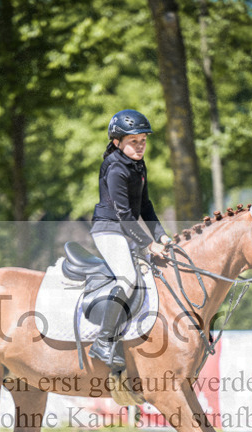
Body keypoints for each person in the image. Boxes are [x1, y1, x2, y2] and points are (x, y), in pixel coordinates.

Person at [88, 109, 173, 373]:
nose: (140, 146)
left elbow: (145, 206)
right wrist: (148, 245)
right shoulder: (115, 167)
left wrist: (161, 234)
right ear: (117, 142)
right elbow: (124, 215)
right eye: (133, 141)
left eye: (143, 141)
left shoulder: (137, 165)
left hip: (123, 229)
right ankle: (102, 341)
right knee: (127, 277)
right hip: (108, 229)